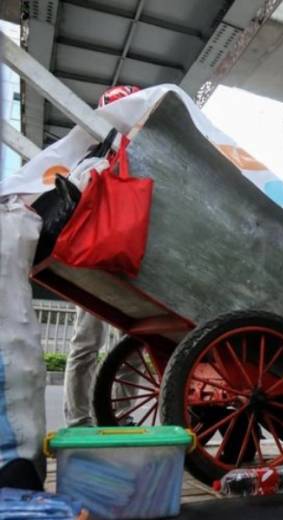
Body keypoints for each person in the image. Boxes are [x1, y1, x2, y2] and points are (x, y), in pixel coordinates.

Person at [63, 85, 141, 427]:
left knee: (130, 343)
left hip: (122, 254)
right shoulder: (90, 149)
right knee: (88, 342)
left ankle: (117, 418)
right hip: (97, 256)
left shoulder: (141, 147)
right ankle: (80, 420)